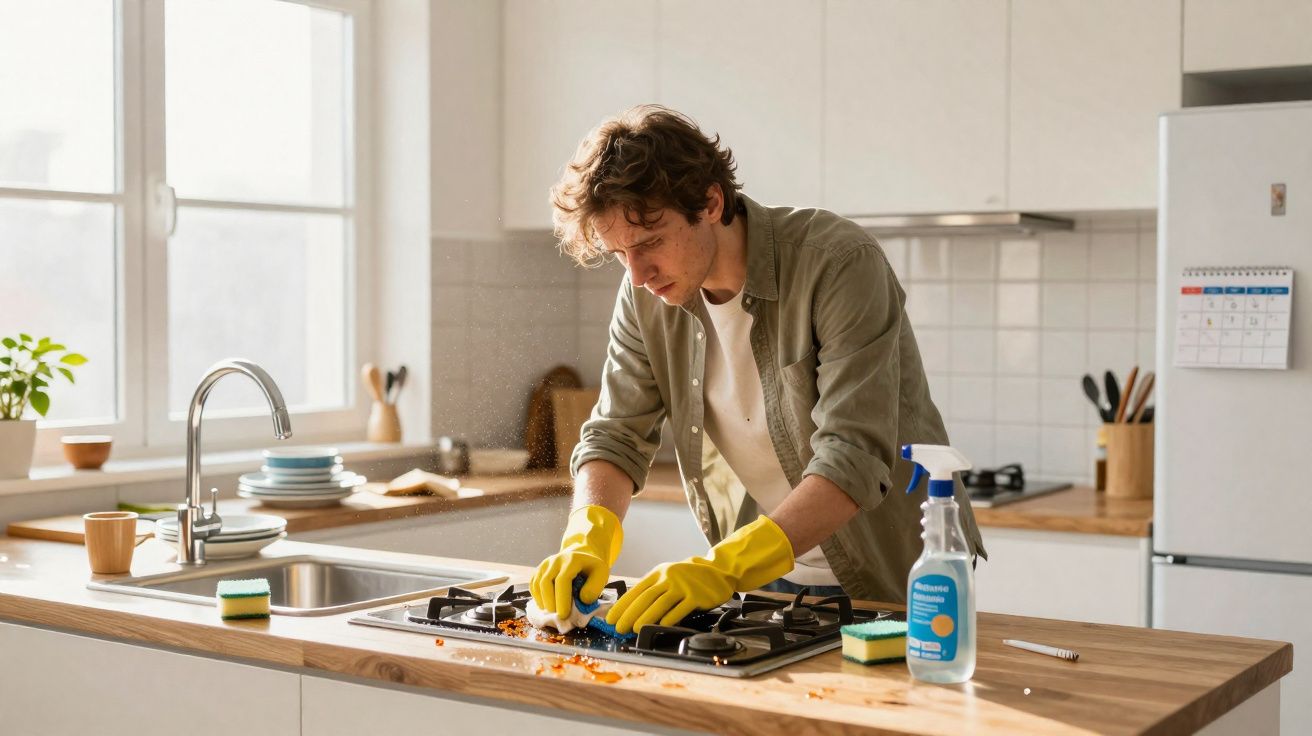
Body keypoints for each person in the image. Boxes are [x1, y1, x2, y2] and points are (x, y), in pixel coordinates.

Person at [528, 105, 985, 635]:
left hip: (896, 578)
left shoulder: (837, 263)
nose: (638, 273)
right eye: (618, 253)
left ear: (711, 202)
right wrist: (589, 532)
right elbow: (614, 436)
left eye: (651, 242)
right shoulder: (643, 293)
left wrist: (724, 567)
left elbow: (852, 458)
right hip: (765, 584)